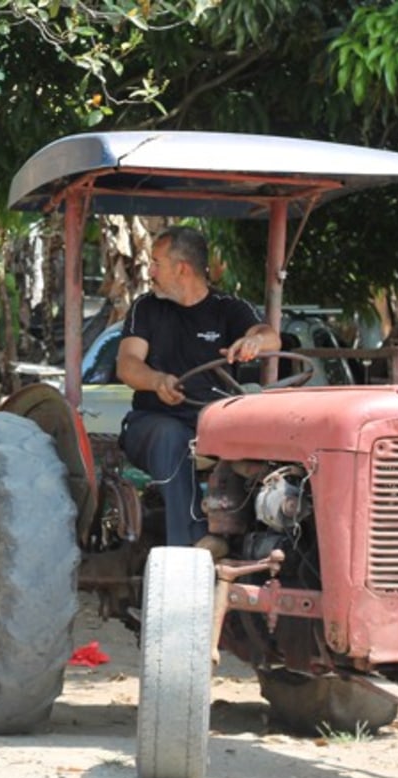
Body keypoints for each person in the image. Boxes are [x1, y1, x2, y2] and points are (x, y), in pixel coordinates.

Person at [116, 225, 281, 547]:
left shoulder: (228, 308)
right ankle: (193, 544)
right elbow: (127, 364)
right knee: (171, 436)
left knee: (272, 436)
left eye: (156, 263)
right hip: (151, 423)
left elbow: (269, 335)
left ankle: (270, 536)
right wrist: (156, 380)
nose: (150, 271)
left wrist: (254, 341)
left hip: (216, 423)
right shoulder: (146, 308)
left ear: (181, 268)